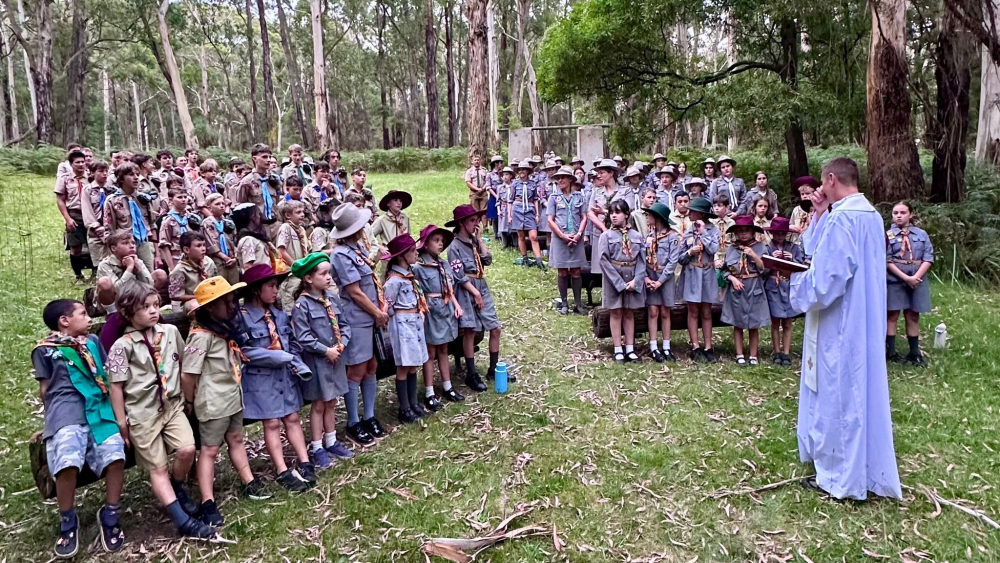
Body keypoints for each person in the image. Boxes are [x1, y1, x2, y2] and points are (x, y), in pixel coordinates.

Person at [785, 157, 902, 501]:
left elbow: (827, 279)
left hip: (841, 319)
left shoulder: (845, 218)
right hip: (864, 313)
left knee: (839, 390)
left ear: (832, 179)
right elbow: (817, 248)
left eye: (823, 184)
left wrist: (796, 284)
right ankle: (858, 465)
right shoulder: (869, 215)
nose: (820, 190)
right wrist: (820, 213)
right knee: (857, 388)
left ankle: (838, 477)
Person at [106, 284, 215, 539]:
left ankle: (176, 486)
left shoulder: (170, 332)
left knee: (187, 449)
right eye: (145, 307)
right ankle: (183, 521)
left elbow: (184, 363)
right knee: (158, 468)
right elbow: (116, 387)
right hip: (142, 414)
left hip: (172, 405)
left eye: (156, 305)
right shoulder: (122, 346)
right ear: (127, 312)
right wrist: (122, 423)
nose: (153, 311)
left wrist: (189, 398)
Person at [34, 299, 126, 557]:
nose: (88, 318)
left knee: (116, 456)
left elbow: (106, 375)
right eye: (83, 314)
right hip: (66, 413)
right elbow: (45, 391)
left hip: (99, 409)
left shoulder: (93, 342)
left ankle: (110, 513)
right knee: (67, 461)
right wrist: (51, 422)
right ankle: (67, 519)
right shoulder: (44, 350)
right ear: (64, 320)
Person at [182, 277, 271, 526]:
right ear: (211, 308)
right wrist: (189, 401)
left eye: (233, 301)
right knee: (209, 450)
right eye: (227, 302)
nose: (232, 307)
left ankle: (248, 482)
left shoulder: (223, 331)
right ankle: (208, 502)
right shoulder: (201, 336)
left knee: (236, 439)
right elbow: (188, 375)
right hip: (213, 403)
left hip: (232, 397)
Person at [235, 264, 316, 491]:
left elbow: (292, 343)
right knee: (271, 422)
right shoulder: (243, 318)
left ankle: (305, 462)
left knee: (292, 417)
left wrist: (296, 362)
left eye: (277, 286)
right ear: (255, 290)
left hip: (285, 376)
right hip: (261, 379)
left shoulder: (279, 315)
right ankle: (282, 470)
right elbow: (243, 351)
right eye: (271, 286)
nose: (276, 290)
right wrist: (276, 356)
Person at [290, 253, 356, 470]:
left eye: (329, 273)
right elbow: (303, 337)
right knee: (319, 404)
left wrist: (341, 345)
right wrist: (325, 350)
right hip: (317, 362)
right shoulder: (302, 306)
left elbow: (344, 325)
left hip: (336, 358)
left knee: (332, 400)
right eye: (323, 273)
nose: (328, 277)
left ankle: (331, 440)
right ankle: (318, 447)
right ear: (308, 278)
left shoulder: (332, 299)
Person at [329, 204, 387, 446]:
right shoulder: (340, 255)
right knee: (357, 369)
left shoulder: (358, 249)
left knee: (372, 365)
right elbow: (354, 292)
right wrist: (377, 312)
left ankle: (369, 415)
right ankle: (353, 422)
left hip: (370, 317)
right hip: (357, 318)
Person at [447, 204, 504, 390]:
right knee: (470, 331)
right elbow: (458, 275)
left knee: (496, 327)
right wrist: (475, 293)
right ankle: (471, 374)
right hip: (466, 289)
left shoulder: (474, 242)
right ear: (461, 223)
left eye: (477, 220)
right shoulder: (454, 246)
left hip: (481, 284)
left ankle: (493, 369)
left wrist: (479, 240)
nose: (476, 223)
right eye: (472, 220)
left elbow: (487, 260)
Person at [413, 225, 465, 410]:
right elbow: (416, 291)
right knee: (430, 352)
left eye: (442, 241)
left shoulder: (443, 264)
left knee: (444, 348)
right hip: (430, 311)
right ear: (425, 244)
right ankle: (429, 393)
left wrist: (456, 305)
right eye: (436, 240)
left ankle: (447, 386)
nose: (440, 244)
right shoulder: (418, 267)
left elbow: (449, 289)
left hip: (446, 309)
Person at [380, 234, 431, 423]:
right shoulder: (394, 281)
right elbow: (387, 306)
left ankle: (413, 403)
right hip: (402, 326)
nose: (416, 253)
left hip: (414, 322)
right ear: (402, 256)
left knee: (413, 364)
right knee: (403, 365)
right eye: (412, 251)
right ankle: (404, 408)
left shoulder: (409, 276)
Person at [886, 201, 934, 366]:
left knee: (913, 314)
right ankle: (890, 352)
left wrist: (915, 277)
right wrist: (905, 278)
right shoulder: (887, 235)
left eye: (903, 213)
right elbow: (886, 260)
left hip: (917, 278)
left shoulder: (921, 234)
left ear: (910, 214)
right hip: (895, 279)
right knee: (892, 314)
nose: (898, 216)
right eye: (895, 213)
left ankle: (914, 353)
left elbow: (928, 257)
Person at [599, 200, 646, 363]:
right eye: (611, 213)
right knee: (616, 312)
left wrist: (636, 280)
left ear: (626, 215)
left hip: (632, 276)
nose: (614, 216)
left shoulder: (636, 236)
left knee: (629, 312)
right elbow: (603, 260)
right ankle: (618, 348)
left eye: (618, 212)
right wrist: (618, 283)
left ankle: (630, 348)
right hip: (614, 278)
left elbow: (642, 260)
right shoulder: (606, 236)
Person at [721, 216, 770, 366]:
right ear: (735, 233)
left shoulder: (761, 247)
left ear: (753, 232)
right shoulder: (731, 249)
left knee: (753, 323)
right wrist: (732, 279)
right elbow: (724, 270)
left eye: (747, 230)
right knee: (738, 323)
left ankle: (753, 355)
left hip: (754, 287)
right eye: (740, 231)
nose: (743, 233)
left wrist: (754, 255)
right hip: (737, 288)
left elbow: (766, 270)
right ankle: (739, 354)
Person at [678, 197, 721, 363]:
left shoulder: (713, 230)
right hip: (692, 273)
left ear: (701, 214)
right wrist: (689, 252)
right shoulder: (689, 231)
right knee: (693, 310)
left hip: (707, 273)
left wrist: (703, 233)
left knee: (706, 311)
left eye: (692, 211)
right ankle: (695, 346)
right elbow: (680, 258)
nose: (689, 213)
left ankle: (709, 347)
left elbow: (713, 249)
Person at [547, 166, 589, 315]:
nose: (560, 180)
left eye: (563, 177)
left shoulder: (579, 197)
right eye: (558, 178)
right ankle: (564, 303)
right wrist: (562, 235)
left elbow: (584, 217)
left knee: (576, 271)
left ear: (570, 179)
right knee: (562, 270)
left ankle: (578, 304)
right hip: (560, 239)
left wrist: (579, 234)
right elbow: (550, 220)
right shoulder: (553, 198)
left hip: (576, 238)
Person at [763, 217, 805, 366]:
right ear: (772, 233)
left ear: (787, 234)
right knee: (775, 321)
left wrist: (792, 259)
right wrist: (770, 259)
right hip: (773, 287)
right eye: (777, 233)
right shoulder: (767, 248)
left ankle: (786, 353)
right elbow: (763, 269)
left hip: (789, 287)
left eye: (782, 233)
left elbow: (802, 268)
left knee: (787, 322)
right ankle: (776, 352)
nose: (780, 236)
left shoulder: (794, 248)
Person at [103, 162, 158, 274]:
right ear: (121, 178)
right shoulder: (112, 200)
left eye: (137, 174)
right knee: (127, 274)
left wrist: (157, 252)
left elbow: (152, 224)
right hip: (124, 244)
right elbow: (109, 228)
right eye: (131, 175)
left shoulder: (143, 198)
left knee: (148, 274)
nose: (136, 177)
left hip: (143, 242)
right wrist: (112, 252)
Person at [643, 203, 680, 362]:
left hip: (665, 278)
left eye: (650, 215)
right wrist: (646, 278)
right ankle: (653, 346)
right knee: (653, 311)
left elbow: (673, 262)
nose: (647, 217)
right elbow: (643, 258)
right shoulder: (648, 236)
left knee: (665, 311)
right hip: (651, 276)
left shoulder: (672, 237)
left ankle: (666, 346)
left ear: (658, 218)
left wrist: (660, 281)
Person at [55, 149, 95, 283]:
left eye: (83, 162)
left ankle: (95, 273)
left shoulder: (91, 177)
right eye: (77, 162)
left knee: (93, 244)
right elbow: (60, 199)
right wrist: (68, 218)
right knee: (76, 247)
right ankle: (78, 276)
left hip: (91, 214)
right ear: (71, 164)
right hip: (74, 214)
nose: (81, 164)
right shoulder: (65, 178)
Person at [235, 143, 282, 242]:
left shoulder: (274, 179)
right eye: (264, 157)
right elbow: (240, 206)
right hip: (257, 228)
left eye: (269, 157)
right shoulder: (247, 182)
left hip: (275, 226)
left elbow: (276, 202)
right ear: (255, 159)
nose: (268, 160)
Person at [168, 232, 217, 313]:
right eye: (198, 246)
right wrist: (198, 297)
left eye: (204, 245)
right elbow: (175, 296)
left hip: (208, 297)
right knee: (195, 306)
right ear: (186, 250)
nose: (203, 249)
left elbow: (215, 282)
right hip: (189, 302)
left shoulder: (209, 262)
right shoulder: (180, 270)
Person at [587, 159, 622, 274]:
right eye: (598, 173)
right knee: (601, 268)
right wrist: (603, 228)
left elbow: (627, 212)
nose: (599, 176)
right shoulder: (596, 192)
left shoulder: (624, 191)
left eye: (602, 173)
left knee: (618, 267)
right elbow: (590, 213)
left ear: (611, 173)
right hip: (600, 233)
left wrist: (605, 212)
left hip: (619, 234)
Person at [275, 200, 310, 312]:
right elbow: (281, 250)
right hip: (290, 273)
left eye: (303, 212)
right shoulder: (286, 227)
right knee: (290, 304)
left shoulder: (301, 230)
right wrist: (296, 266)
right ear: (288, 215)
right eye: (298, 212)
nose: (302, 215)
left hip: (301, 273)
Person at [508, 159, 544, 268]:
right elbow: (510, 200)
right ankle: (525, 258)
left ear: (528, 171)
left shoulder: (533, 184)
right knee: (521, 235)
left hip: (530, 209)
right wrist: (509, 215)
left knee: (534, 236)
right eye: (519, 170)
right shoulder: (514, 184)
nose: (521, 171)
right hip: (517, 209)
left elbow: (536, 199)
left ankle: (539, 261)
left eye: (524, 169)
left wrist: (537, 214)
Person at [200, 193, 238, 284]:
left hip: (231, 257)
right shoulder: (206, 223)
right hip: (217, 259)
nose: (221, 206)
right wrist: (224, 257)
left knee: (235, 284)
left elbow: (235, 240)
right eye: (217, 204)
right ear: (209, 208)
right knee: (220, 284)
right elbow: (209, 243)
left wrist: (235, 257)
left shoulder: (229, 222)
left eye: (223, 203)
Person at [81, 160, 114, 266]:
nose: (104, 174)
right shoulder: (87, 190)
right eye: (100, 171)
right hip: (96, 231)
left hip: (111, 230)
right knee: (100, 263)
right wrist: (96, 226)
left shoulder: (112, 189)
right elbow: (87, 210)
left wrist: (108, 227)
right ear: (92, 173)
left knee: (115, 262)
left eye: (106, 171)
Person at [158, 186, 196, 273]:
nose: (183, 200)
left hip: (193, 258)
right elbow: (164, 245)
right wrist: (172, 268)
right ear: (171, 200)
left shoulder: (192, 218)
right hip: (177, 259)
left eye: (185, 197)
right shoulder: (168, 221)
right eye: (179, 197)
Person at [233, 203, 280, 273]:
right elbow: (248, 267)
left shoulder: (255, 238)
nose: (259, 216)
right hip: (259, 278)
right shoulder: (248, 240)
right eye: (258, 214)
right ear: (252, 216)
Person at [789, 176, 819, 244]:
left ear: (814, 193)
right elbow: (791, 225)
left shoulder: (818, 209)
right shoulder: (796, 210)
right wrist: (791, 227)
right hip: (796, 243)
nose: (804, 196)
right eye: (802, 194)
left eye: (807, 193)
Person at [496, 166, 513, 248]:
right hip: (503, 207)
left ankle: (514, 242)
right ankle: (504, 243)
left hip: (512, 207)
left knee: (512, 225)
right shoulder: (500, 187)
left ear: (511, 176)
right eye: (503, 175)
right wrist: (498, 210)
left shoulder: (514, 186)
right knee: (503, 225)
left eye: (507, 174)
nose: (505, 177)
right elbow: (498, 200)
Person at [487, 155, 504, 236]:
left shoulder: (503, 173)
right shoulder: (490, 174)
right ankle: (496, 233)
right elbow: (488, 187)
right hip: (494, 196)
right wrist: (496, 196)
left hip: (503, 195)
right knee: (494, 215)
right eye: (501, 163)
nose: (502, 164)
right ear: (496, 164)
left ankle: (502, 232)